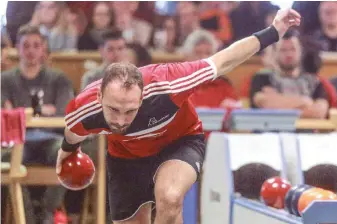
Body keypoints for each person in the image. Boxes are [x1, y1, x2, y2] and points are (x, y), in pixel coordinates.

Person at [56, 9, 301, 224]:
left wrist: (274, 31)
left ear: (142, 97)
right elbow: (72, 134)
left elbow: (225, 60)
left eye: (130, 110)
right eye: (113, 110)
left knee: (170, 198)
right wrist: (65, 155)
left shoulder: (171, 83)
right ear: (99, 98)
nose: (120, 120)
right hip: (126, 156)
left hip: (179, 143)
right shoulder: (83, 109)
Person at [2, 25, 74, 224]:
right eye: (26, 45)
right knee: (7, 160)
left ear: (43, 49)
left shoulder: (59, 78)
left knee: (69, 152)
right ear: (18, 48)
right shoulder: (5, 80)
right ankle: (27, 217)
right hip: (17, 141)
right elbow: (5, 115)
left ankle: (48, 210)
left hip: (51, 138)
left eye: (36, 45)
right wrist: (44, 110)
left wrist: (23, 112)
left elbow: (63, 114)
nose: (31, 51)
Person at [250, 30, 329, 119]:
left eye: (293, 49)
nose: (289, 54)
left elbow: (319, 112)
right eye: (283, 50)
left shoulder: (314, 81)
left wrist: (280, 105)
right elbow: (266, 104)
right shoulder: (262, 78)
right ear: (275, 53)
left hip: (306, 131)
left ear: (301, 51)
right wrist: (305, 102)